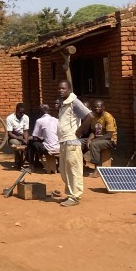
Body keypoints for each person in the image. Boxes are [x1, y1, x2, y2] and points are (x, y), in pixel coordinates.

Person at [56, 79, 92, 207]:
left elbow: (89, 116)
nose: (61, 90)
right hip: (64, 141)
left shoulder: (74, 103)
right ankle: (70, 195)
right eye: (59, 88)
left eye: (63, 88)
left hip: (72, 142)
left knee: (73, 170)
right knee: (64, 170)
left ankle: (75, 197)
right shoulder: (64, 103)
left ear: (69, 89)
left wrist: (80, 130)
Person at [82, 99, 117, 172]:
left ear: (103, 107)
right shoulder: (93, 117)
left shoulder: (108, 116)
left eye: (99, 107)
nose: (97, 108)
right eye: (95, 107)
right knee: (79, 142)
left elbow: (109, 135)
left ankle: (97, 169)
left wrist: (94, 140)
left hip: (110, 141)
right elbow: (93, 132)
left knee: (94, 144)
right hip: (97, 139)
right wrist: (89, 139)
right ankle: (82, 165)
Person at [27, 104, 60, 168]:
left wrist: (42, 140)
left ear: (40, 112)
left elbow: (35, 137)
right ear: (49, 111)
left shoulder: (39, 121)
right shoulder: (56, 120)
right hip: (59, 147)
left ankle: (31, 166)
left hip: (49, 149)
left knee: (31, 143)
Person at [5, 102, 30, 168]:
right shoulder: (9, 118)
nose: (21, 114)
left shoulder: (26, 117)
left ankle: (29, 161)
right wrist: (21, 139)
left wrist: (26, 139)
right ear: (16, 111)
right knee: (16, 144)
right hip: (14, 137)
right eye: (20, 112)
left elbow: (26, 131)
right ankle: (19, 161)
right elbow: (10, 133)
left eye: (23, 112)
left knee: (32, 141)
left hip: (22, 136)